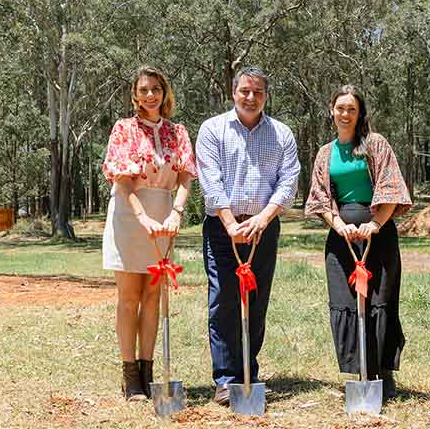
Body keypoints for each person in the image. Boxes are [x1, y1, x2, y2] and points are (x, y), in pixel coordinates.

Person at [196, 65, 301, 405]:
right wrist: (230, 224)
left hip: (264, 229)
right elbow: (210, 181)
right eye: (245, 91)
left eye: (258, 92)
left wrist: (264, 218)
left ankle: (248, 375)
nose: (251, 97)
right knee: (223, 300)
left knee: (255, 302)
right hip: (222, 228)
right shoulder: (212, 130)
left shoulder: (282, 134)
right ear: (233, 92)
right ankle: (226, 380)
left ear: (266, 96)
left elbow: (289, 182)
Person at [305, 84, 412, 399]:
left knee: (380, 301)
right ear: (331, 111)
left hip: (377, 234)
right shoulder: (326, 152)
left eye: (352, 109)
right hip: (341, 239)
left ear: (359, 113)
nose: (345, 114)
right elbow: (320, 197)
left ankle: (383, 374)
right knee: (348, 303)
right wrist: (337, 224)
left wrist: (375, 223)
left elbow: (391, 187)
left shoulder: (375, 144)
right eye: (341, 108)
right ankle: (359, 372)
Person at [101, 66, 196, 400]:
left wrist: (177, 213)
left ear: (165, 92)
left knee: (153, 297)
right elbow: (121, 179)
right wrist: (142, 217)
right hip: (130, 216)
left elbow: (185, 175)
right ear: (135, 95)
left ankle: (148, 369)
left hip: (165, 215)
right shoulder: (124, 129)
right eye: (144, 90)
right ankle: (130, 376)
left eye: (156, 89)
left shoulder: (178, 132)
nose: (150, 95)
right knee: (129, 298)